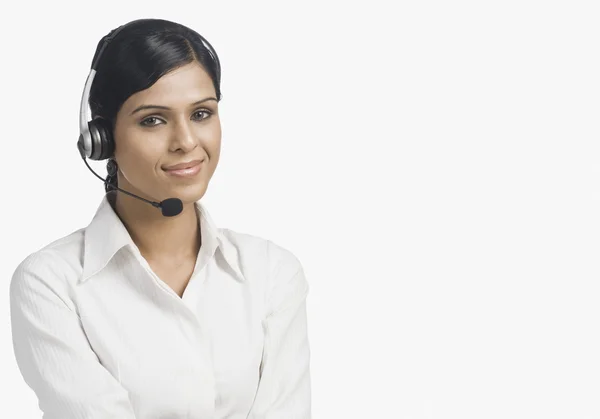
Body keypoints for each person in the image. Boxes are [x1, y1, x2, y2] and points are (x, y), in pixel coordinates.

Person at [9, 18, 311, 419]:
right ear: (101, 138)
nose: (186, 141)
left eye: (202, 114)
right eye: (153, 119)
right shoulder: (51, 284)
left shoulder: (271, 272)